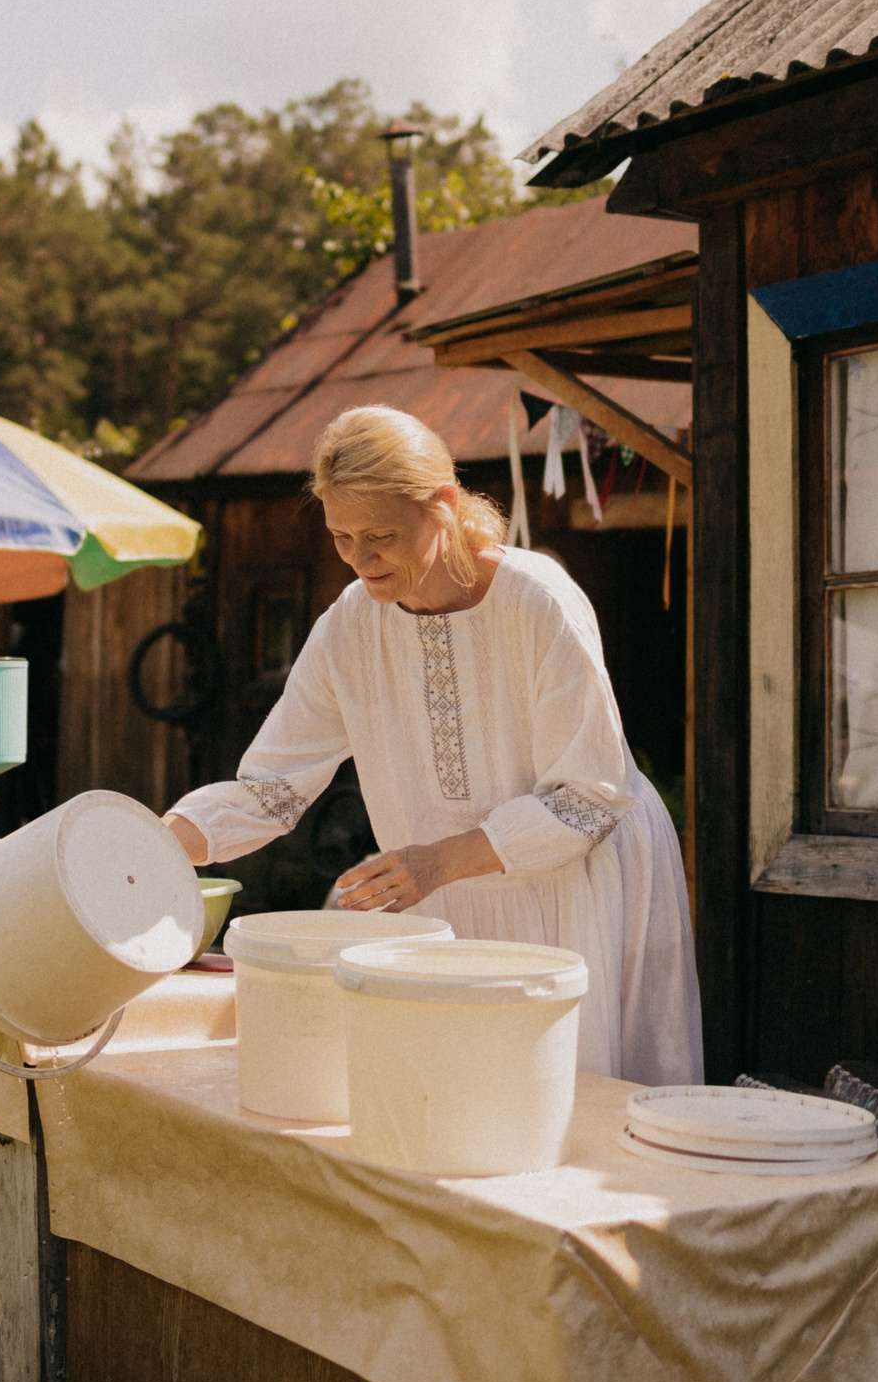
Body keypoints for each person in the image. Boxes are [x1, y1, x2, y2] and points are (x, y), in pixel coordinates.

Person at [163, 406, 703, 1085]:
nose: (360, 560)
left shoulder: (538, 602)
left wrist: (441, 861)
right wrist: (154, 846)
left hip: (580, 882)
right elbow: (271, 789)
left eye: (380, 536)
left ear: (443, 504)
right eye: (341, 537)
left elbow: (588, 798)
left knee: (579, 1100)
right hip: (443, 892)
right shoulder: (350, 628)